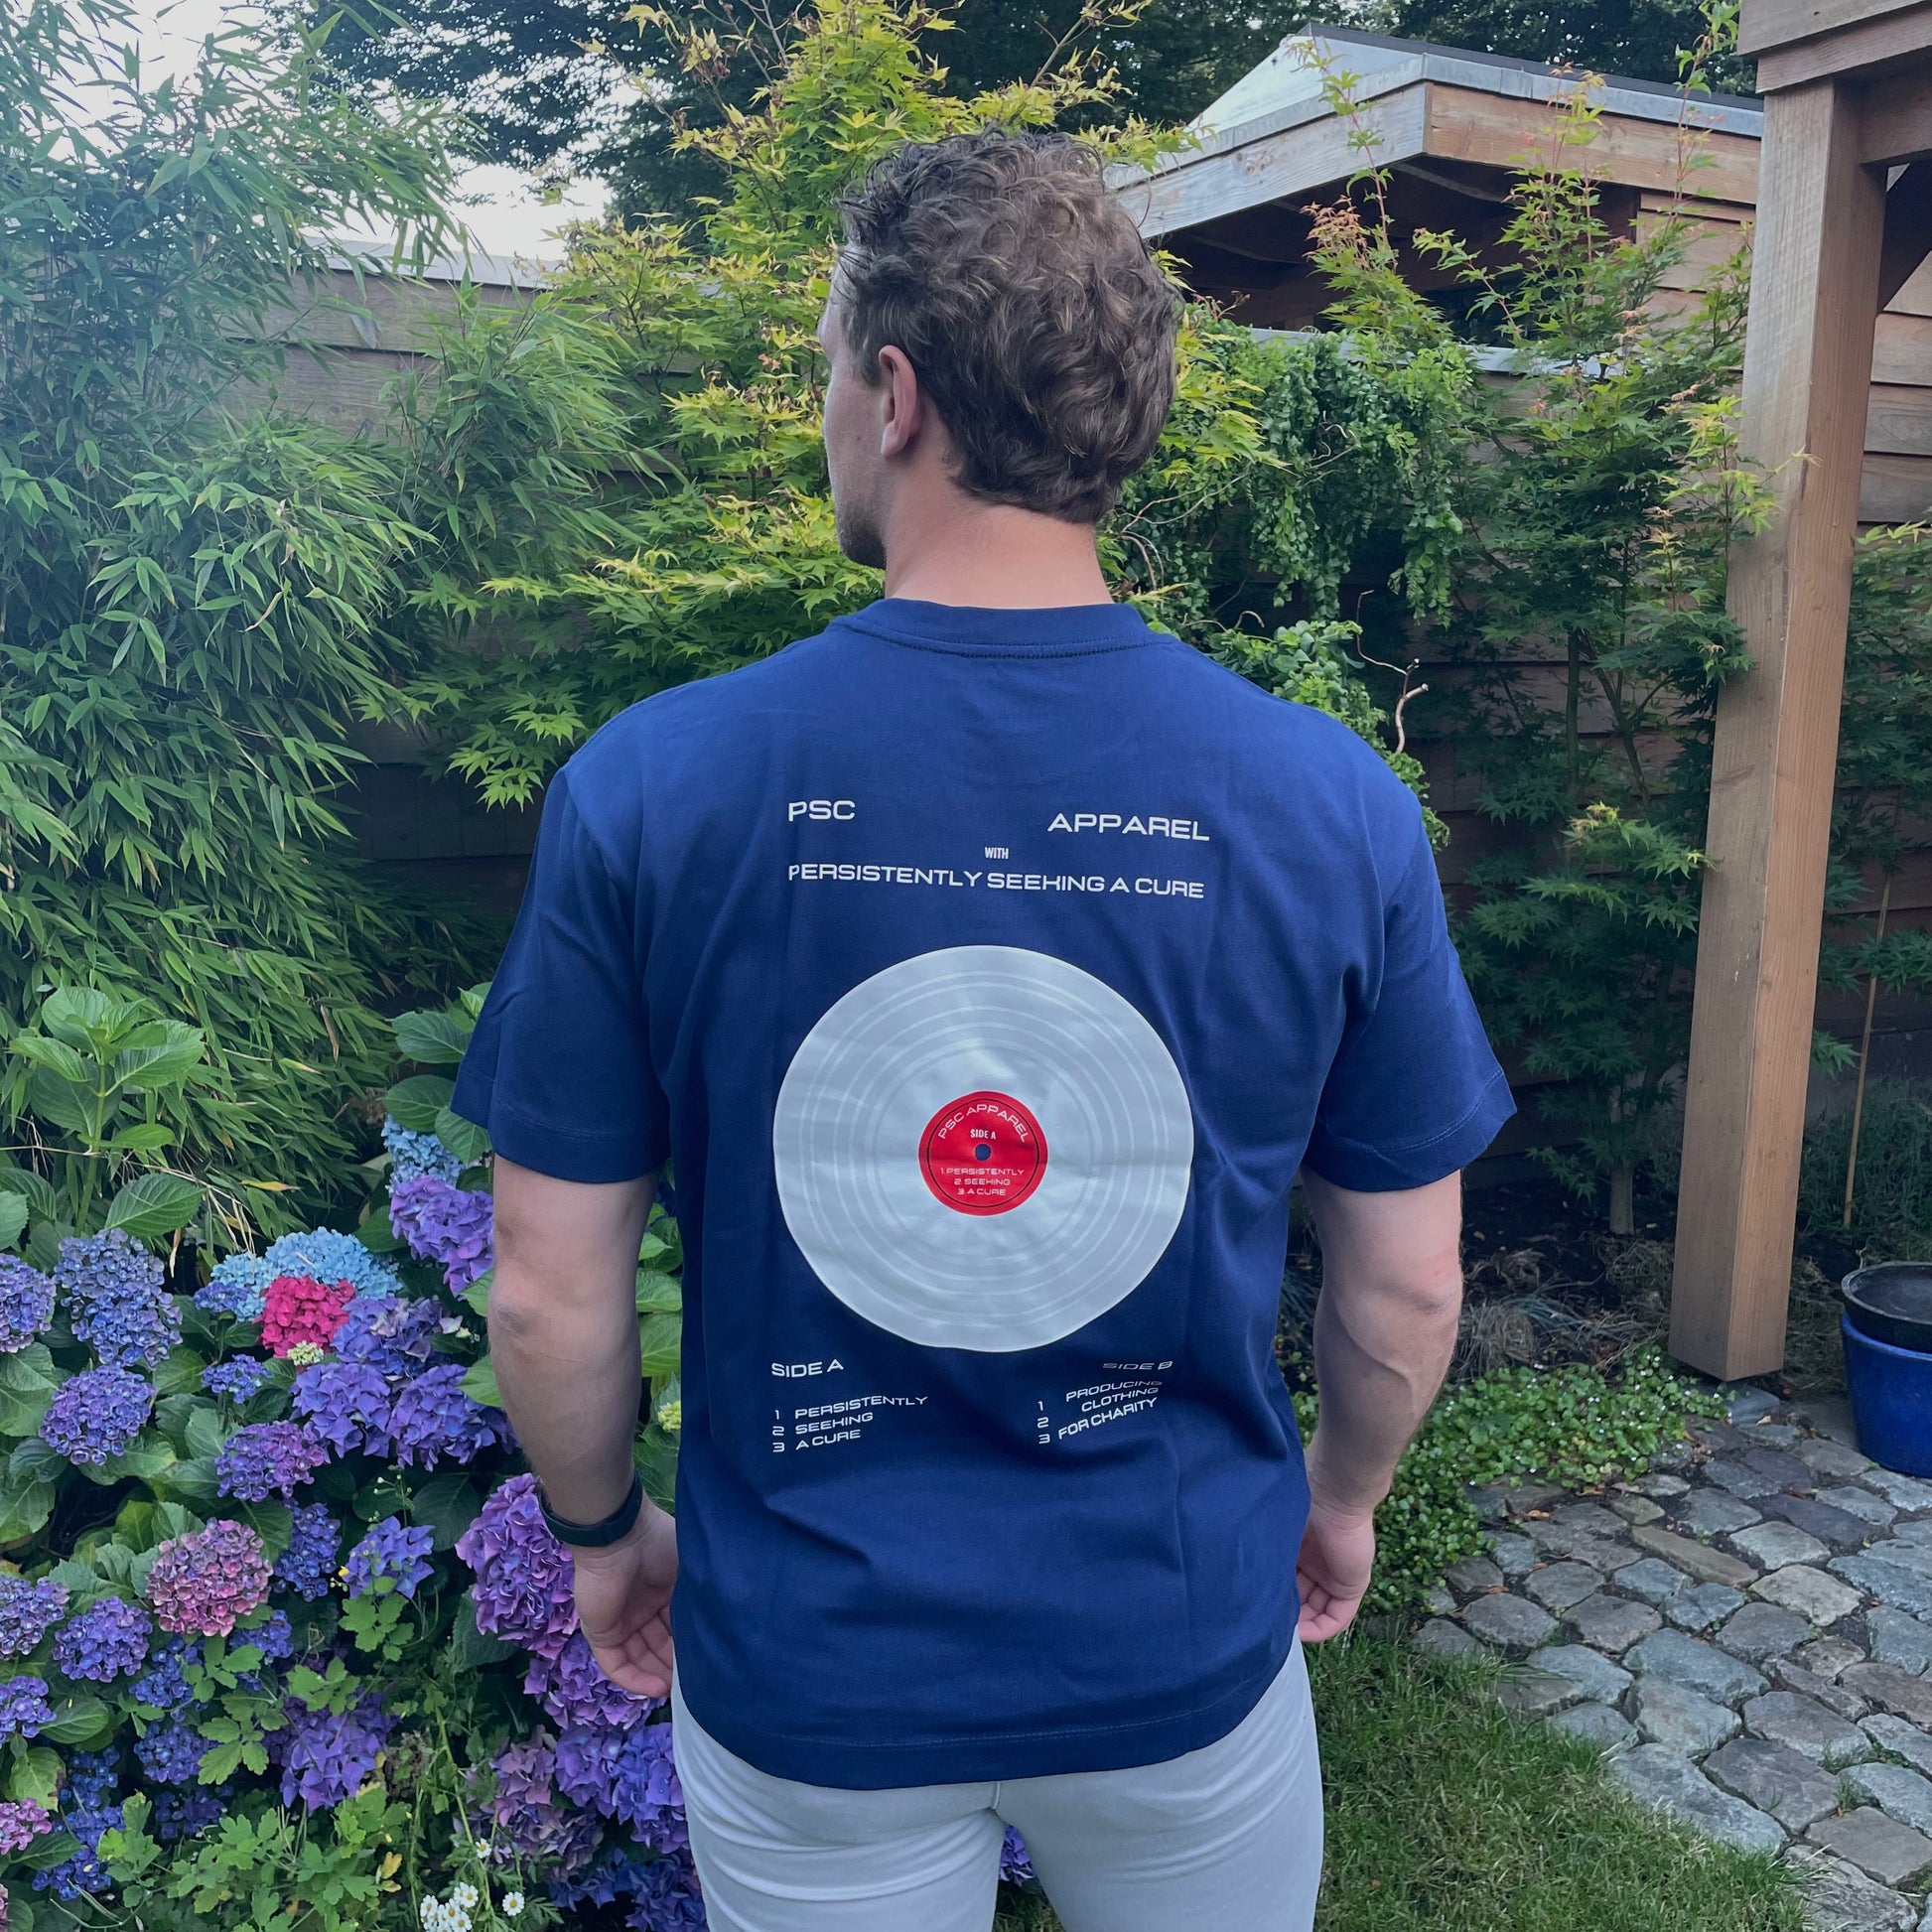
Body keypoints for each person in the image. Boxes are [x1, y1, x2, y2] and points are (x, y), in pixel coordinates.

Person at [453, 129, 1512, 1932]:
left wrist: (600, 1531)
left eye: (824, 377)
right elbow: (1406, 1284)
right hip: (1179, 1647)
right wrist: (1339, 1501)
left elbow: (550, 1291)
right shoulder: (1329, 801)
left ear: (894, 392)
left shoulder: (654, 786)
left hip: (813, 1669)